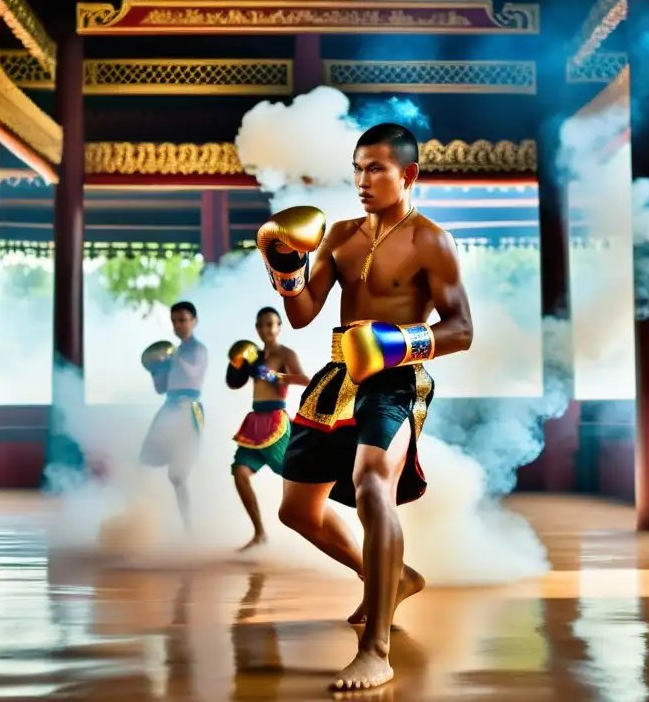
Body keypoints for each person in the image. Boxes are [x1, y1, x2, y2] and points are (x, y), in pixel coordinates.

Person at [255, 122, 474, 691]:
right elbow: (302, 314)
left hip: (395, 378)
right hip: (336, 374)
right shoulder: (342, 235)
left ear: (409, 174)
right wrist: (283, 265)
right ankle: (390, 575)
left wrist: (398, 342)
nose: (362, 179)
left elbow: (462, 330)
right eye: (357, 167)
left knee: (373, 485)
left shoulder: (431, 240)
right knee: (297, 511)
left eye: (376, 168)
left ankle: (375, 648)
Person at [225, 307, 310, 551]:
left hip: (275, 421)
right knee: (240, 473)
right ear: (256, 329)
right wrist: (236, 367)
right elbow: (234, 383)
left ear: (279, 326)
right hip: (254, 421)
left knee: (294, 476)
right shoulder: (254, 356)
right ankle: (260, 533)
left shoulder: (285, 353)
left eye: (271, 324)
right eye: (261, 325)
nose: (266, 329)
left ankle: (314, 523)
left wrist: (274, 376)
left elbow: (304, 379)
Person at [140, 301, 209, 532]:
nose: (178, 324)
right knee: (144, 463)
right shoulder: (172, 354)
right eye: (174, 320)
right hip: (168, 408)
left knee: (177, 475)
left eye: (183, 319)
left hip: (190, 410)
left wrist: (173, 356)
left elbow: (193, 373)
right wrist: (154, 371)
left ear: (194, 321)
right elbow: (161, 388)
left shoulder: (198, 350)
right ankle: (146, 521)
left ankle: (189, 526)